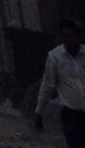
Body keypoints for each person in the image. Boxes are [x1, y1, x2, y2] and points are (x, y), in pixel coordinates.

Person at [35, 18, 85, 146]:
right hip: (71, 113)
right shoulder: (55, 57)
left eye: (71, 36)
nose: (69, 40)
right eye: (65, 36)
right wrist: (39, 111)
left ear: (78, 36)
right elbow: (48, 85)